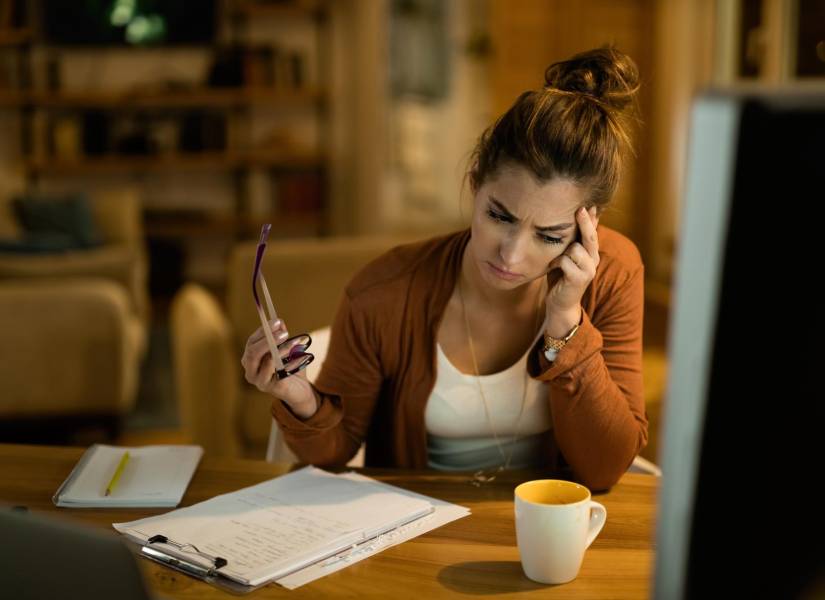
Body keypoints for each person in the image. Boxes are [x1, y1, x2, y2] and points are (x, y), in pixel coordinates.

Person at [241, 46, 648, 491]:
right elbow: (335, 454)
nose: (511, 256)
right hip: (416, 528)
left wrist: (566, 323)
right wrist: (298, 398)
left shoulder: (611, 273)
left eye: (549, 236)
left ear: (589, 226)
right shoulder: (384, 291)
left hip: (546, 523)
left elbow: (604, 470)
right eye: (499, 216)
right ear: (475, 180)